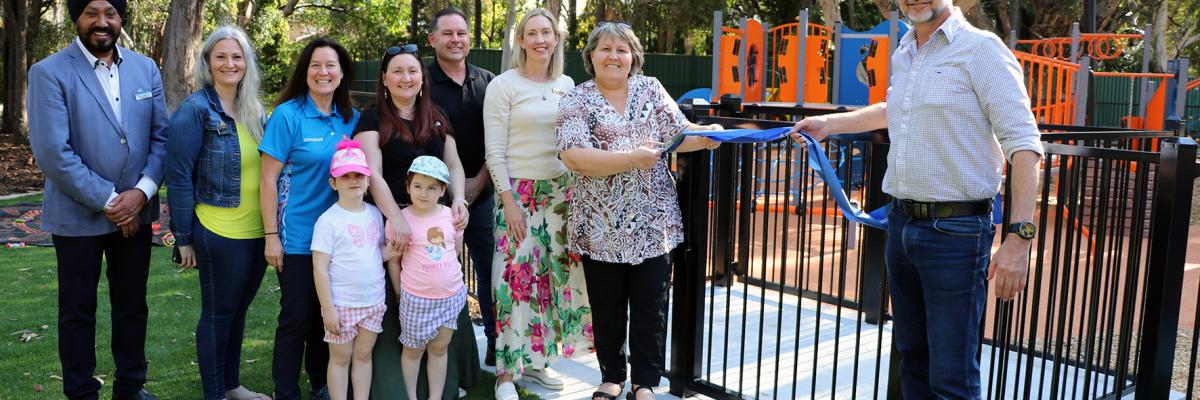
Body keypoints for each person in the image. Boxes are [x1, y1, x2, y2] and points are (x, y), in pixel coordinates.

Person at [788, 2, 1043, 398]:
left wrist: (1019, 239)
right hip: (902, 226)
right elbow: (896, 109)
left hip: (956, 235)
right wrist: (831, 124)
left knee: (951, 376)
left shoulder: (983, 49)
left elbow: (1025, 145)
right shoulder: (905, 50)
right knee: (912, 359)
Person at [555, 22, 722, 400]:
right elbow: (574, 157)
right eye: (605, 49)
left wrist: (709, 135)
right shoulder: (576, 100)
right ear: (591, 56)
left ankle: (645, 382)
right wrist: (632, 158)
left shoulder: (651, 89)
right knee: (608, 307)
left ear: (633, 57)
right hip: (599, 226)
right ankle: (612, 377)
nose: (614, 56)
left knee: (651, 307)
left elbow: (680, 134)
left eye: (622, 49)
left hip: (654, 223)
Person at [27, 0, 167, 398]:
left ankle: (130, 387)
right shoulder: (49, 72)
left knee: (132, 306)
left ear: (121, 18)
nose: (102, 22)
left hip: (136, 215)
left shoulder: (145, 68)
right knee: (77, 313)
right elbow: (54, 153)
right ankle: (81, 392)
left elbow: (161, 138)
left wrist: (140, 194)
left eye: (111, 13)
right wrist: (111, 202)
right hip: (77, 216)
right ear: (77, 17)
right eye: (91, 12)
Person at [352, 43, 479, 399]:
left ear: (422, 78)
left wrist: (457, 201)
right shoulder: (372, 119)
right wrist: (396, 216)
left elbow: (454, 164)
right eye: (397, 71)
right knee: (398, 297)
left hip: (435, 222)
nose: (406, 78)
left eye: (412, 71)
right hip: (391, 220)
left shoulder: (436, 116)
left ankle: (441, 384)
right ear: (385, 79)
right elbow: (371, 173)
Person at [483, 8, 592, 399]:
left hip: (561, 194)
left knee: (550, 280)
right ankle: (506, 374)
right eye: (532, 33)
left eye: (547, 32)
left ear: (557, 38)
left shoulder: (568, 84)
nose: (540, 39)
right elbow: (494, 151)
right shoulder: (504, 85)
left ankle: (538, 364)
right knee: (513, 280)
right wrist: (508, 202)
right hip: (519, 195)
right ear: (522, 41)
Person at [165, 26, 272, 400]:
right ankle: (214, 394)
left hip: (257, 232)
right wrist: (184, 239)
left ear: (247, 62)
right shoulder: (194, 111)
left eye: (237, 56)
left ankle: (231, 386)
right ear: (208, 62)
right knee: (217, 316)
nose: (230, 63)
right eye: (221, 56)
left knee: (238, 314)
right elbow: (177, 178)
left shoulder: (255, 110)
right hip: (218, 232)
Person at [259, 38, 360, 400]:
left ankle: (322, 384)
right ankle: (285, 391)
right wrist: (272, 235)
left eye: (331, 65)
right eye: (316, 65)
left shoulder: (350, 118)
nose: (323, 72)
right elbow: (267, 179)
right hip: (298, 235)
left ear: (342, 72)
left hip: (340, 238)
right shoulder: (288, 116)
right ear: (305, 71)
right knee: (297, 317)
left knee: (325, 316)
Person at [425, 7, 500, 365]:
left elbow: (501, 140)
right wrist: (452, 191)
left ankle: (495, 345)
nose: (456, 40)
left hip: (482, 198)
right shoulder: (419, 81)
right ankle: (445, 355)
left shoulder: (489, 82)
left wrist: (477, 183)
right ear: (433, 39)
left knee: (491, 273)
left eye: (462, 33)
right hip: (432, 204)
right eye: (448, 34)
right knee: (437, 278)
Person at [312, 139, 394, 400]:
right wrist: (328, 309)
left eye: (358, 174)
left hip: (373, 302)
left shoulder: (374, 214)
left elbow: (372, 255)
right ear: (333, 183)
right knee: (340, 358)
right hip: (342, 305)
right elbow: (320, 268)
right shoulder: (328, 221)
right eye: (345, 176)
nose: (353, 180)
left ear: (368, 180)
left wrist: (392, 252)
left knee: (363, 355)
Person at [391, 156, 469, 400]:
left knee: (439, 348)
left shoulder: (450, 216)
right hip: (416, 299)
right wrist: (398, 291)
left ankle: (435, 397)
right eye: (417, 186)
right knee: (413, 351)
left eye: (432, 187)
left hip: (450, 297)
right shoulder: (400, 220)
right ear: (407, 187)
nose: (423, 194)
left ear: (443, 189)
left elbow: (455, 249)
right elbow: (393, 260)